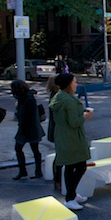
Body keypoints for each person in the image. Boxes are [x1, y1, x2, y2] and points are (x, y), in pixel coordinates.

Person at [49, 73, 93, 211]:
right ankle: (70, 197)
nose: (76, 84)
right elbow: (74, 122)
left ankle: (72, 195)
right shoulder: (69, 101)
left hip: (63, 137)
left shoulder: (58, 97)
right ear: (69, 84)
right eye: (74, 82)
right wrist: (85, 116)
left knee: (70, 166)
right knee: (80, 166)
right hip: (72, 138)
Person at [10, 80, 45, 180]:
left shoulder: (27, 99)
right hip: (31, 128)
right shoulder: (27, 98)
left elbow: (24, 115)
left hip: (28, 129)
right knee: (34, 150)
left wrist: (18, 110)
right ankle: (35, 171)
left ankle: (26, 171)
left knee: (22, 148)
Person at [46, 76, 62, 190]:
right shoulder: (56, 97)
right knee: (60, 157)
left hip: (55, 130)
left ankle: (58, 180)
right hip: (58, 131)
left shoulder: (54, 96)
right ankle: (57, 180)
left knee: (59, 156)